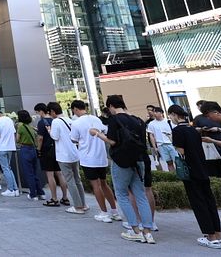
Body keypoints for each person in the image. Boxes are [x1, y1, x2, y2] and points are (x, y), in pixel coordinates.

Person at [90, 95, 156, 244]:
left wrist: (97, 134)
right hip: (138, 161)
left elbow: (112, 141)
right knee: (140, 195)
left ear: (112, 106)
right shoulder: (137, 120)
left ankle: (135, 230)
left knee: (121, 194)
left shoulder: (115, 120)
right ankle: (148, 232)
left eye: (109, 108)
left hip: (121, 161)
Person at [168, 104, 221, 249]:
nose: (171, 119)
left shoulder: (177, 131)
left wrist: (172, 141)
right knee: (209, 201)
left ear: (175, 115)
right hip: (202, 168)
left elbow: (181, 151)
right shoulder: (193, 130)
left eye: (171, 116)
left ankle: (210, 237)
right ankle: (219, 236)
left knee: (198, 203)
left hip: (190, 171)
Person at [69, 100, 120, 222]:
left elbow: (73, 139)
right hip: (101, 157)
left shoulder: (76, 123)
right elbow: (105, 132)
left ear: (75, 109)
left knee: (95, 185)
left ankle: (104, 213)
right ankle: (114, 211)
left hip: (88, 158)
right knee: (104, 184)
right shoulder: (97, 119)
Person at [47, 102, 86, 214]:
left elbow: (55, 136)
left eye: (50, 112)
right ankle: (83, 204)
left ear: (53, 112)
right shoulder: (69, 120)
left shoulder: (56, 121)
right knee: (77, 180)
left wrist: (49, 131)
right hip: (74, 153)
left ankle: (78, 206)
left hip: (64, 155)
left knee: (70, 181)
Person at [34, 102, 69, 206]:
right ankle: (65, 197)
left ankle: (54, 198)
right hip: (57, 150)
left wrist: (39, 150)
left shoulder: (41, 122)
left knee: (50, 174)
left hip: (46, 150)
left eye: (37, 112)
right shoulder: (55, 120)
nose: (37, 115)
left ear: (41, 111)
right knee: (59, 173)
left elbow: (40, 138)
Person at [194, 100, 221, 178]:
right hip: (207, 144)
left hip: (220, 141)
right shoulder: (198, 118)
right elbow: (194, 128)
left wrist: (218, 129)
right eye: (198, 106)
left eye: (201, 105)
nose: (199, 108)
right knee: (211, 166)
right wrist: (201, 129)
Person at [15, 109, 44, 200]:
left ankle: (33, 194)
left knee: (29, 173)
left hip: (25, 149)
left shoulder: (21, 127)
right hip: (33, 150)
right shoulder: (30, 127)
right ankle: (41, 192)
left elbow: (17, 139)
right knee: (35, 172)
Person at [0, 110, 19, 196]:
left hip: (2, 147)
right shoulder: (9, 120)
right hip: (10, 147)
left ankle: (10, 189)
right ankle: (15, 189)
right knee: (9, 168)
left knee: (5, 169)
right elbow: (14, 132)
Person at [147, 107, 178, 172]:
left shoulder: (169, 121)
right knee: (169, 162)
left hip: (171, 144)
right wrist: (155, 147)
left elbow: (175, 132)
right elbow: (151, 136)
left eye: (156, 112)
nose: (154, 113)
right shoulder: (151, 124)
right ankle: (173, 176)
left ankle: (181, 175)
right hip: (160, 145)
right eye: (154, 112)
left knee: (177, 161)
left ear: (161, 113)